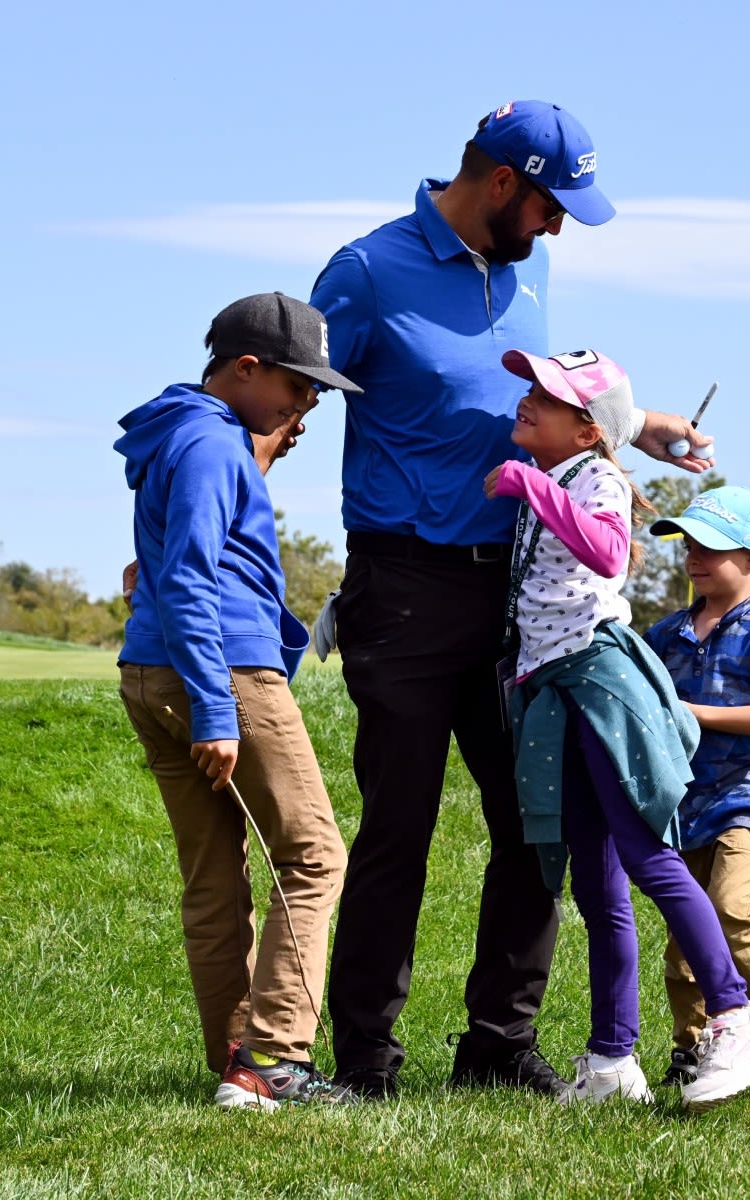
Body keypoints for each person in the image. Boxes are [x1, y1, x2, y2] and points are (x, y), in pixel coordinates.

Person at [306, 100, 716, 1098]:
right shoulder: (365, 273)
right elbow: (289, 395)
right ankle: (366, 1060)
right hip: (404, 589)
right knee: (398, 826)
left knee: (541, 822)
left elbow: (529, 403)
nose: (560, 227)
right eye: (552, 205)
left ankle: (497, 1046)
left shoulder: (527, 260)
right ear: (502, 182)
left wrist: (640, 421)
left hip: (523, 598)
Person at [485, 348, 750, 1110]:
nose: (528, 401)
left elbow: (609, 554)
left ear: (589, 430)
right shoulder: (561, 470)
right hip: (555, 682)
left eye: (548, 397)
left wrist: (527, 484)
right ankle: (611, 1060)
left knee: (648, 857)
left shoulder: (595, 480)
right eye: (529, 387)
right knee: (595, 879)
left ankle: (734, 1018)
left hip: (596, 677)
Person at [113, 292, 358, 1110]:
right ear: (247, 370)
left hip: (150, 671)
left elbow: (163, 565)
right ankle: (274, 1060)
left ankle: (236, 1060)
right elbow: (188, 576)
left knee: (214, 878)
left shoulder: (180, 433)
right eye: (298, 386)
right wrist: (219, 711)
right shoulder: (216, 446)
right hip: (222, 675)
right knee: (315, 857)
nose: (308, 404)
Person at [643, 486, 750, 1093]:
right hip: (682, 802)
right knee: (683, 928)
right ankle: (694, 1048)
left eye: (711, 548)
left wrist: (694, 713)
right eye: (688, 545)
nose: (694, 557)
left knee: (727, 906)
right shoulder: (664, 635)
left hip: (746, 797)